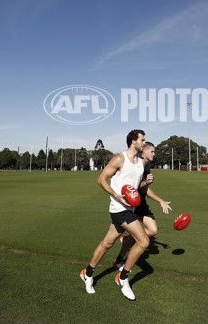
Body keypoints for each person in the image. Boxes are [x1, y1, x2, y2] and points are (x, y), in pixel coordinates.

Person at [80, 129, 150, 301]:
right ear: (133, 141)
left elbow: (133, 184)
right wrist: (116, 195)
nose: (144, 142)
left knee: (107, 243)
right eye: (142, 140)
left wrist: (145, 183)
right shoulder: (120, 159)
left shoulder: (140, 162)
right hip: (119, 209)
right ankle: (123, 277)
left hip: (130, 209)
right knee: (144, 241)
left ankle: (87, 273)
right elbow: (101, 179)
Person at [113, 142, 171, 271]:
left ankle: (127, 239)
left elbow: (144, 188)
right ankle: (119, 260)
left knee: (153, 230)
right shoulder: (137, 164)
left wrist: (149, 186)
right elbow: (137, 187)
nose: (154, 154)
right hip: (132, 204)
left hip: (142, 203)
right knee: (110, 241)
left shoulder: (146, 165)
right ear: (144, 151)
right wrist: (159, 200)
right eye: (152, 152)